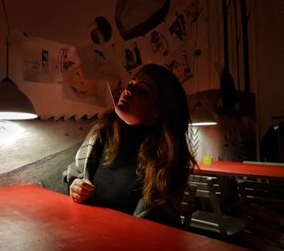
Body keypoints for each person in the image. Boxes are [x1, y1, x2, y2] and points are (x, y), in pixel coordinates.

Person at [62, 64, 196, 227]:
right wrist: (76, 187)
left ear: (159, 110)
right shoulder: (102, 133)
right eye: (130, 85)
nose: (128, 92)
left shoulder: (166, 160)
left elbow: (157, 225)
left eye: (142, 91)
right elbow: (75, 172)